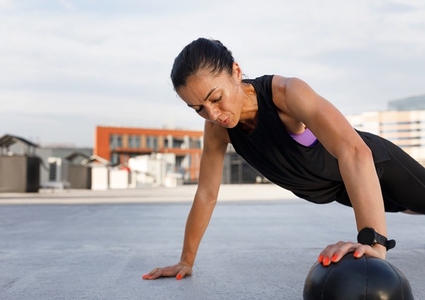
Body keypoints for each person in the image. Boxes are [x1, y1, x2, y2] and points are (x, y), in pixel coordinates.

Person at [143, 38, 425, 281]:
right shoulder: (218, 131)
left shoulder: (287, 95)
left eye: (216, 98)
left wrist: (373, 243)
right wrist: (186, 261)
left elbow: (354, 152)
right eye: (198, 109)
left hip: (377, 168)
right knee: (409, 208)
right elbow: (206, 194)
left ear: (236, 71)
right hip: (344, 191)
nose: (213, 114)